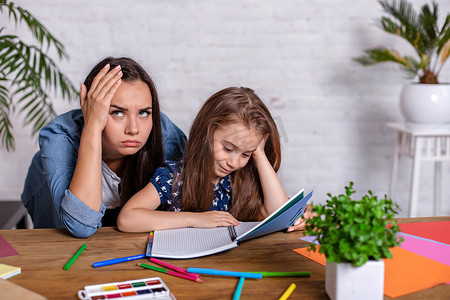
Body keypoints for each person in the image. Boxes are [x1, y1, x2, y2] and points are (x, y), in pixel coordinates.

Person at [21, 57, 187, 238]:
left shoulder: (167, 137)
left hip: (125, 214)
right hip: (55, 199)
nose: (133, 129)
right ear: (91, 108)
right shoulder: (60, 135)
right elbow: (80, 227)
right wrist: (92, 126)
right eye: (117, 112)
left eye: (143, 112)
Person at [117, 86, 312, 233]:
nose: (234, 163)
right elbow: (127, 218)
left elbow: (281, 213)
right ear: (205, 134)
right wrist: (193, 220)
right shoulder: (173, 177)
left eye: (245, 154)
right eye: (228, 148)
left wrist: (259, 154)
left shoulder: (242, 180)